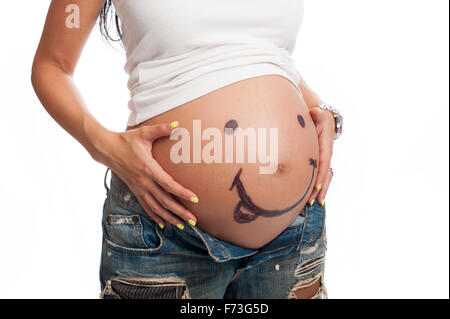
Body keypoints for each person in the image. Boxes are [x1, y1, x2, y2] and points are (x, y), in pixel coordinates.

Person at [31, 0, 343, 299]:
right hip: (167, 232)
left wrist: (323, 112)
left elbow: (264, 55)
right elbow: (51, 65)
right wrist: (105, 147)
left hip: (293, 230)